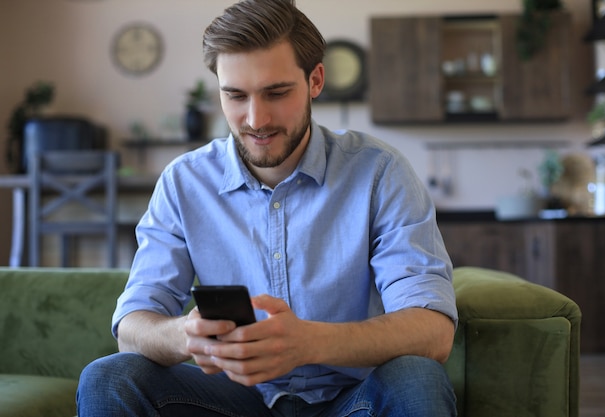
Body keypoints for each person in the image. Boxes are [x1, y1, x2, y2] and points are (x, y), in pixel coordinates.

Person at [77, 0, 458, 415]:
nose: (256, 119)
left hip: (353, 400)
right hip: (233, 400)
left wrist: (310, 342)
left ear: (315, 80)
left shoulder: (379, 172)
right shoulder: (184, 182)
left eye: (276, 93)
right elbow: (132, 327)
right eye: (235, 96)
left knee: (418, 377)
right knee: (107, 377)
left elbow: (432, 331)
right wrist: (186, 335)